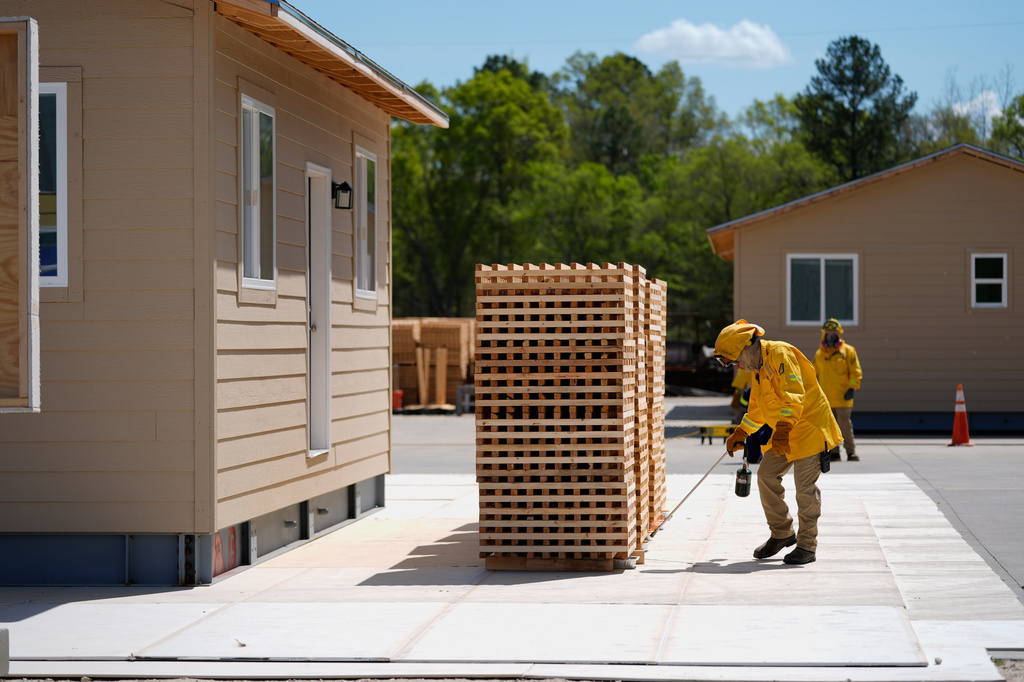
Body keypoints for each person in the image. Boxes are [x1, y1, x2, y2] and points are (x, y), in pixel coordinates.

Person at [714, 320, 843, 565]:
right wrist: (741, 432)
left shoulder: (779, 353)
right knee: (766, 476)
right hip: (785, 433)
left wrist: (783, 429)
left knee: (805, 489)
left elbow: (794, 394)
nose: (737, 366)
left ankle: (807, 545)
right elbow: (758, 409)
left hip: (809, 430)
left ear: (747, 348)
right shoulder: (759, 369)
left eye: (735, 360)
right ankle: (782, 533)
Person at [813, 318, 863, 462]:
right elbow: (813, 375)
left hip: (843, 398)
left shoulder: (848, 352)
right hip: (826, 400)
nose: (831, 337)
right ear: (823, 336)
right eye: (828, 334)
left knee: (845, 426)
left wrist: (852, 388)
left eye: (834, 334)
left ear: (839, 335)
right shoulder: (819, 355)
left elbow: (855, 371)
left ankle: (851, 452)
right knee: (829, 428)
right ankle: (834, 453)